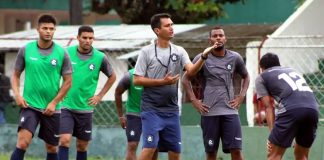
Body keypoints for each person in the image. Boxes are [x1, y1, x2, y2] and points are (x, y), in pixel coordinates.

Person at [133, 13, 217, 160]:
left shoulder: (179, 50)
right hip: (151, 109)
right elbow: (137, 80)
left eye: (172, 25)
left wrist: (203, 56)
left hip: (172, 110)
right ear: (157, 30)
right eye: (167, 25)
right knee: (150, 148)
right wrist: (162, 82)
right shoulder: (146, 52)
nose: (172, 28)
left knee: (175, 152)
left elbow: (191, 71)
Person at [182, 26, 250, 160]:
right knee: (211, 153)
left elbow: (246, 76)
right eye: (215, 36)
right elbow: (185, 79)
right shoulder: (201, 58)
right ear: (210, 40)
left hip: (230, 112)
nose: (218, 38)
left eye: (220, 35)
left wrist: (241, 96)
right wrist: (194, 101)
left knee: (236, 151)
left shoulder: (235, 57)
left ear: (225, 38)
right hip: (209, 113)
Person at [11, 14, 72, 160]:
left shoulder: (62, 53)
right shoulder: (26, 50)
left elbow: (68, 81)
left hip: (52, 109)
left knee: (52, 148)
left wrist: (54, 103)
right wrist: (17, 95)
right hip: (30, 105)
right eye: (45, 28)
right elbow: (15, 75)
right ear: (38, 29)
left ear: (54, 30)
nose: (48, 31)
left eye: (51, 29)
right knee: (23, 142)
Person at [58, 25, 116, 160]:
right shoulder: (66, 53)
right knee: (64, 140)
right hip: (66, 106)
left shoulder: (100, 57)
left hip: (85, 108)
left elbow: (112, 77)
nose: (87, 41)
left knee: (82, 146)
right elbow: (54, 72)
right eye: (84, 37)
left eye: (90, 38)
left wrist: (99, 96)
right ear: (78, 38)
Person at [255, 53, 319, 160]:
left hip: (292, 109)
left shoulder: (262, 77)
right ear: (279, 65)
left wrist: (272, 134)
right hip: (312, 109)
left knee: (274, 155)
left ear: (262, 68)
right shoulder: (292, 70)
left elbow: (268, 107)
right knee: (302, 155)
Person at [114, 68, 143, 160]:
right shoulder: (129, 76)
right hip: (134, 113)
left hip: (152, 113)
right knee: (132, 145)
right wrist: (121, 116)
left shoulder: (156, 74)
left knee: (152, 147)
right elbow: (118, 92)